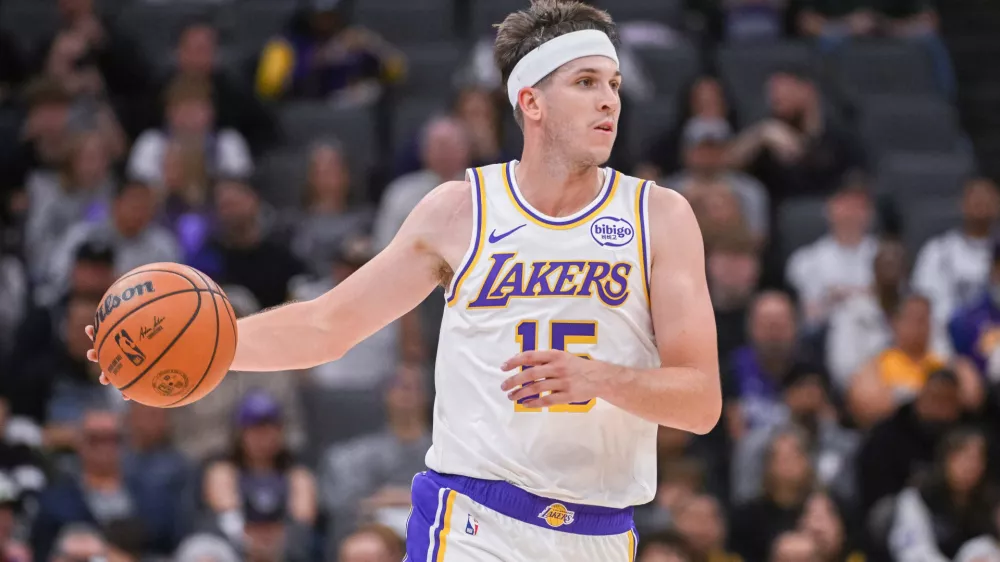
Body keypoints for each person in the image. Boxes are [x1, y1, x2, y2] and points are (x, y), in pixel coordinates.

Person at [89, 1, 722, 560]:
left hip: (602, 532)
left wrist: (597, 377)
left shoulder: (658, 216)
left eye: (612, 83)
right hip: (472, 523)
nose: (610, 98)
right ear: (530, 100)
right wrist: (206, 345)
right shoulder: (461, 209)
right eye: (586, 82)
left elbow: (700, 402)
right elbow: (327, 325)